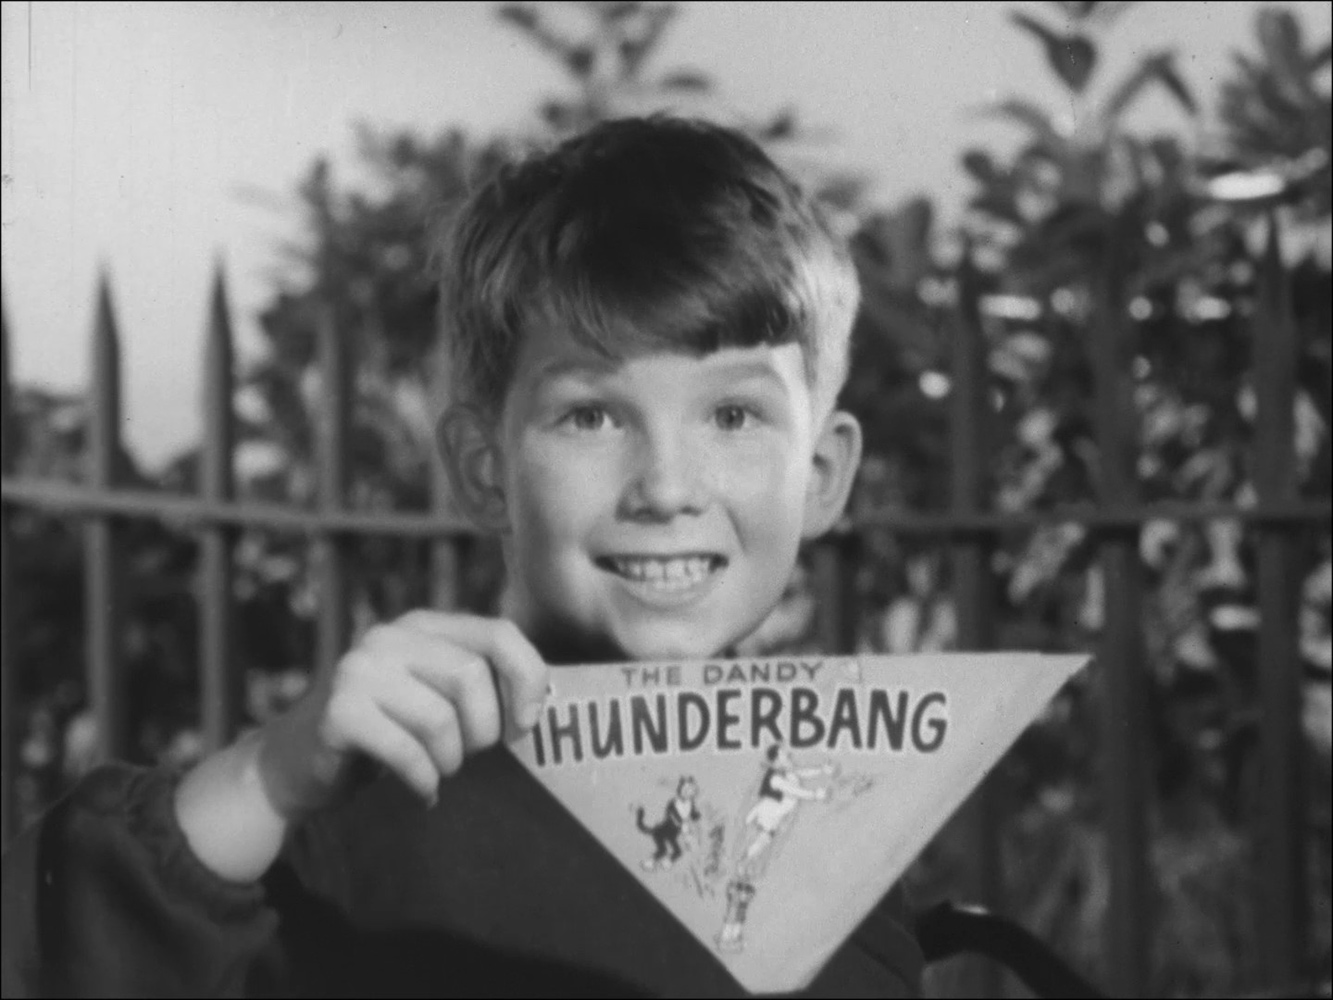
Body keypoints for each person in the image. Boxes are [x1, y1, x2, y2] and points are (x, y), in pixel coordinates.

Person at [1, 115, 924, 997]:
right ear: (484, 470)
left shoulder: (832, 843)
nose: (666, 487)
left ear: (822, 473)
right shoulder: (361, 808)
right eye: (591, 416)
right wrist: (266, 778)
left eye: (732, 416)